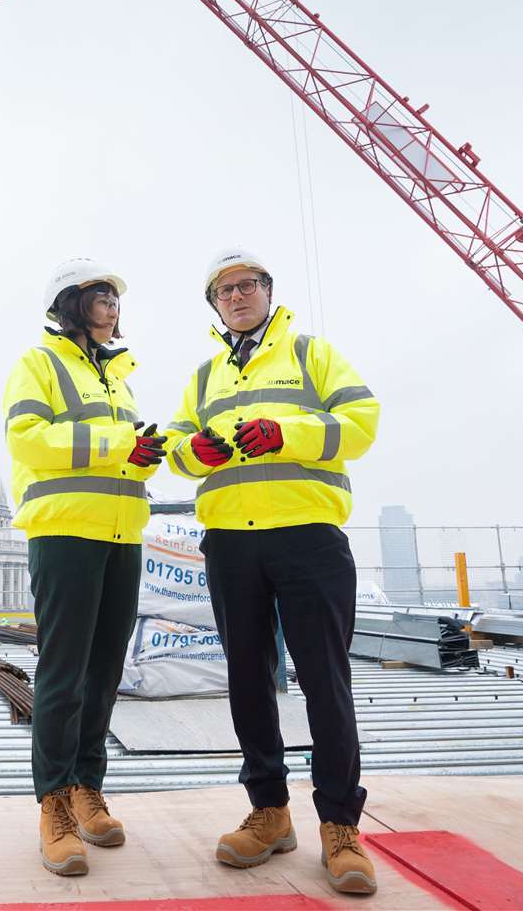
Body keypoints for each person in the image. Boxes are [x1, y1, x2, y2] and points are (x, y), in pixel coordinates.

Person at [163, 248, 381, 896]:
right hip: (231, 542)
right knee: (247, 682)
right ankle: (270, 813)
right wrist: (188, 450)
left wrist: (285, 434)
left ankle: (340, 825)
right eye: (224, 290)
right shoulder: (204, 379)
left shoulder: (311, 356)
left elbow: (361, 422)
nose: (236, 296)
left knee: (324, 680)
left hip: (307, 536)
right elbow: (176, 442)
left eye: (247, 285)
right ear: (214, 306)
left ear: (267, 291)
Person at [3, 257, 167, 877]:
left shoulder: (117, 379)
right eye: (101, 295)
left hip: (122, 534)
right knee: (64, 674)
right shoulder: (37, 365)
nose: (113, 305)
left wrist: (148, 453)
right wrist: (118, 445)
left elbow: (123, 456)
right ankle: (53, 805)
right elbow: (29, 440)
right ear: (71, 303)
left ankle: (86, 786)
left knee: (104, 673)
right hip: (65, 531)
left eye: (115, 297)